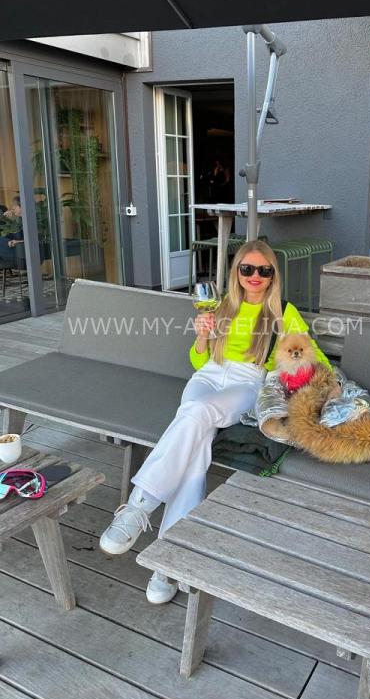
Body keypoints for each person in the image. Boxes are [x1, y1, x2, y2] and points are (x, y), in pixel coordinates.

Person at [100, 240, 331, 604]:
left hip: (246, 382)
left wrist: (320, 381)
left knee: (196, 413)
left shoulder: (283, 313)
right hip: (208, 376)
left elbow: (312, 359)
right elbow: (198, 361)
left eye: (264, 270)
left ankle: (139, 505)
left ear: (273, 275)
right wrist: (202, 335)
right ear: (236, 272)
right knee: (195, 451)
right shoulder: (222, 305)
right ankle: (169, 561)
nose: (255, 276)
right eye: (247, 269)